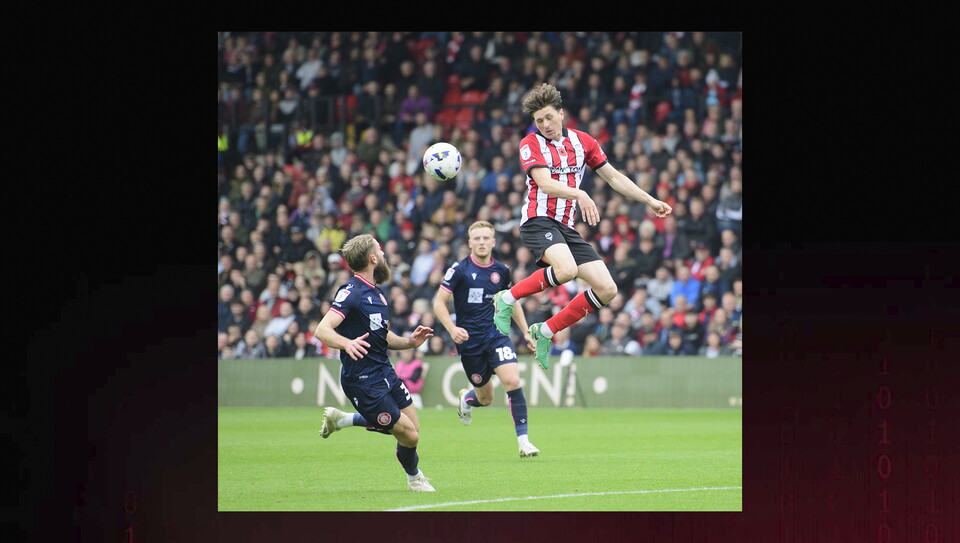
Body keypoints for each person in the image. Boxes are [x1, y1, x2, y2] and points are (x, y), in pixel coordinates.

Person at [491, 83, 672, 369]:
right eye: (539, 121)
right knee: (566, 270)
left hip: (565, 227)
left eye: (549, 117)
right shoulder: (530, 143)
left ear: (561, 113)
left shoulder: (584, 141)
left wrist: (650, 200)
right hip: (538, 220)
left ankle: (545, 331)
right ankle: (507, 297)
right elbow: (545, 183)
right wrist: (580, 193)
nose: (545, 125)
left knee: (607, 288)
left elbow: (613, 177)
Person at [313, 234, 437, 492]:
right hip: (363, 381)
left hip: (384, 372)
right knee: (408, 435)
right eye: (379, 250)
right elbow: (322, 330)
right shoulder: (352, 292)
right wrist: (346, 343)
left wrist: (410, 343)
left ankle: (343, 420)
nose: (383, 254)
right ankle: (415, 478)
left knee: (413, 428)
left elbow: (384, 336)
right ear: (372, 258)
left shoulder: (377, 294)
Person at [432, 221, 541, 458]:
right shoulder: (458, 270)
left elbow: (511, 301)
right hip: (469, 343)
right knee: (486, 398)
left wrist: (524, 331)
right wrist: (452, 329)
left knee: (512, 381)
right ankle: (468, 398)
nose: (481, 242)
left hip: (497, 336)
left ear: (493, 241)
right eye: (477, 238)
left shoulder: (501, 271)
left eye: (486, 238)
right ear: (470, 243)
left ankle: (524, 442)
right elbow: (438, 303)